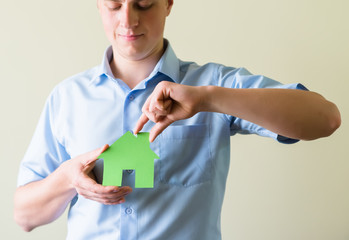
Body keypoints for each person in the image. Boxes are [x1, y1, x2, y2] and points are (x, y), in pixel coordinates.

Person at [14, 0, 341, 239]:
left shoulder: (210, 83)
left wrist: (208, 99)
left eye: (143, 4)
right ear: (99, 5)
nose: (128, 20)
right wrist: (68, 179)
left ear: (169, 3)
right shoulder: (66, 97)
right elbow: (24, 216)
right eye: (114, 5)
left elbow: (325, 119)